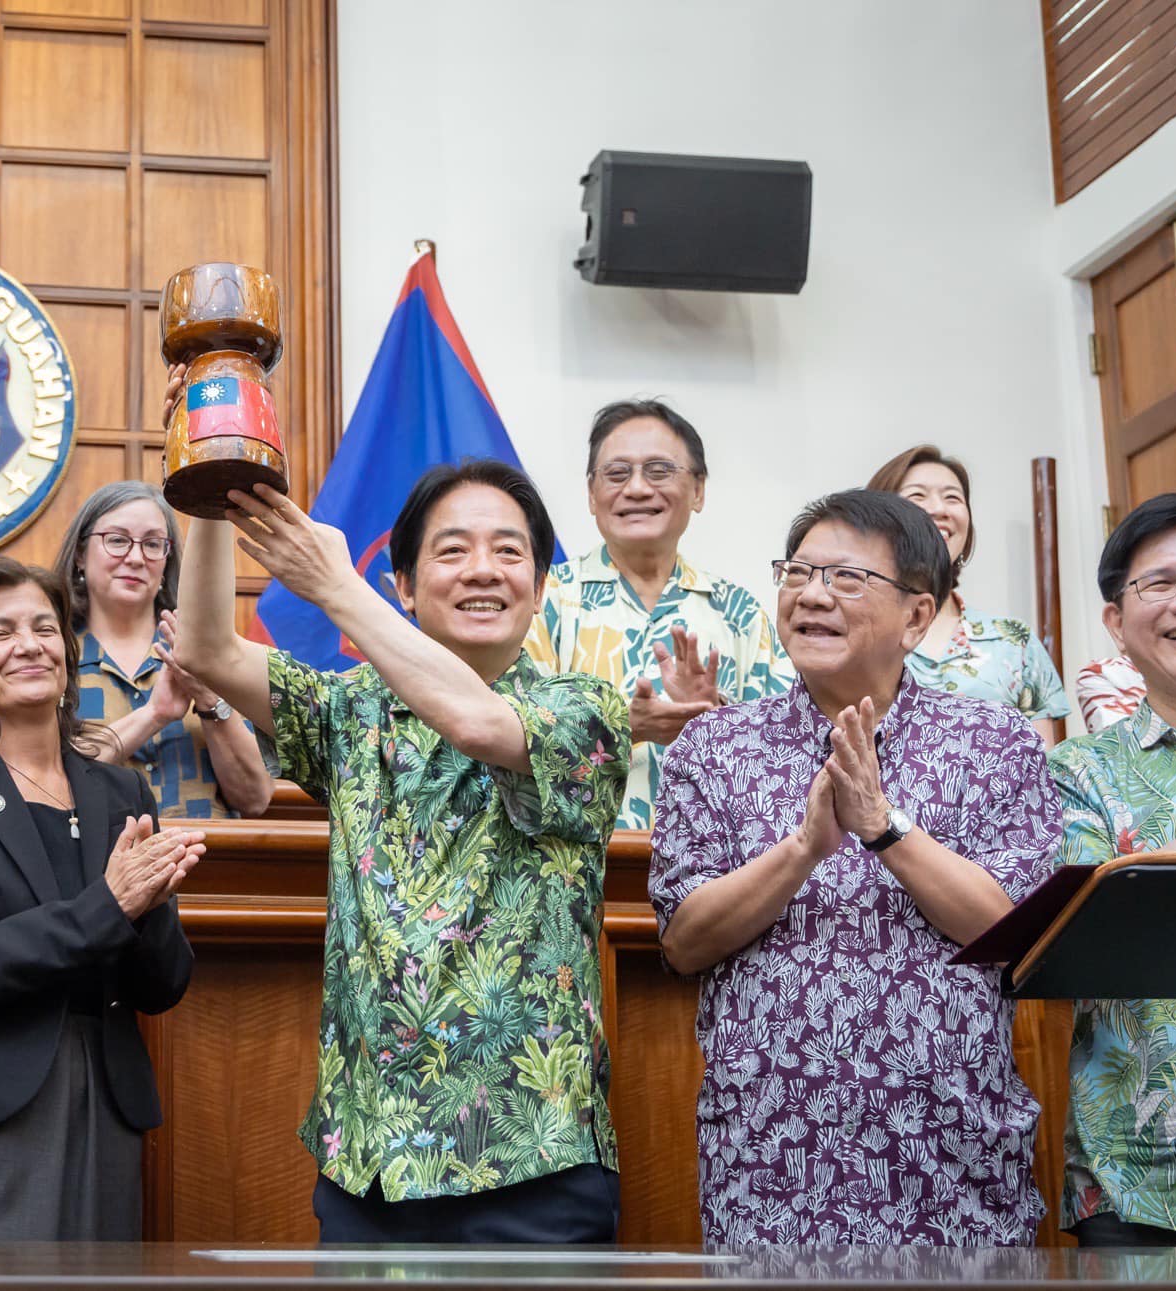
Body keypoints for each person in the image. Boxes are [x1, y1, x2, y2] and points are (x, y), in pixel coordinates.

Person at [171, 460, 631, 1243]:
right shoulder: (355, 710)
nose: (483, 569)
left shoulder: (586, 709)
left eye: (509, 552)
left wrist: (336, 588)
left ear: (541, 583)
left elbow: (478, 725)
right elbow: (209, 649)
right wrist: (211, 484)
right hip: (371, 1166)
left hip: (532, 1163)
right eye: (452, 551)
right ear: (406, 585)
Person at [650, 489, 1058, 1246]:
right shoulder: (713, 749)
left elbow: (1015, 931)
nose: (810, 594)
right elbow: (683, 940)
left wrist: (883, 826)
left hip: (956, 1170)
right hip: (769, 1169)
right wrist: (803, 850)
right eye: (797, 573)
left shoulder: (996, 743)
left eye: (845, 578)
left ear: (916, 615)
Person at [0, 557, 202, 1241]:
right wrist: (110, 906)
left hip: (106, 1105)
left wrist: (149, 912)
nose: (29, 644)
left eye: (44, 627)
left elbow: (163, 985)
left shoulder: (122, 792)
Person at [1047, 492, 1176, 1247]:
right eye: (1160, 583)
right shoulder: (1079, 771)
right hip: (1147, 1181)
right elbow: (1077, 931)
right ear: (1116, 621)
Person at [526, 400, 790, 830]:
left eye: (659, 471)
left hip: (717, 876)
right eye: (616, 474)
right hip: (569, 869)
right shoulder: (545, 601)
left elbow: (782, 755)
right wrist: (619, 726)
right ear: (592, 494)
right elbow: (509, 740)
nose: (637, 489)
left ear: (698, 489)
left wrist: (716, 719)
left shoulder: (741, 614)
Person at [51, 481, 272, 818]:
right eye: (117, 541)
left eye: (153, 544)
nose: (136, 558)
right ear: (80, 554)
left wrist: (210, 698)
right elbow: (47, 784)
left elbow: (255, 799)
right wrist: (154, 715)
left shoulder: (209, 652)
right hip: (101, 865)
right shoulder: (51, 657)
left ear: (166, 561)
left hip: (212, 862)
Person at [868, 444, 1069, 744]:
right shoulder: (853, 633)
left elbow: (1043, 768)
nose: (940, 509)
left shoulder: (1014, 642)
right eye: (917, 496)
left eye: (953, 497)